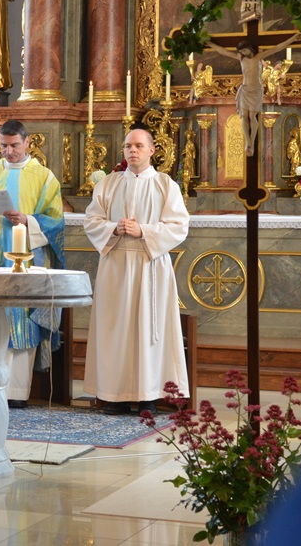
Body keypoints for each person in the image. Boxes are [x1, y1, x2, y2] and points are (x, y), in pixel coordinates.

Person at [83, 128, 190, 416]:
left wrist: (143, 230)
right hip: (116, 264)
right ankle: (114, 395)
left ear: (151, 151)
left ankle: (148, 396)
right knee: (114, 330)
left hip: (149, 264)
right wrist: (113, 228)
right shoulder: (108, 184)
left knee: (148, 329)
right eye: (128, 146)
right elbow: (91, 220)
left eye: (139, 146)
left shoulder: (166, 185)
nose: (133, 150)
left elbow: (179, 226)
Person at [0, 119, 65, 408]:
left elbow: (56, 221)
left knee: (21, 319)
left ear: (27, 142)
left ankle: (17, 391)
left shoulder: (44, 177)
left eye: (14, 145)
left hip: (26, 257)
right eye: (3, 146)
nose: (8, 152)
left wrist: (27, 220)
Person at [205, 32, 301, 155]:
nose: (242, 53)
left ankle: (251, 142)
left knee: (252, 116)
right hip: (245, 89)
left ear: (250, 49)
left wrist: (293, 39)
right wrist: (210, 43)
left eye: (244, 50)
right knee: (244, 116)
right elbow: (223, 51)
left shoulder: (258, 57)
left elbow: (278, 47)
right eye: (241, 51)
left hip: (256, 90)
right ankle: (247, 142)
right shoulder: (241, 58)